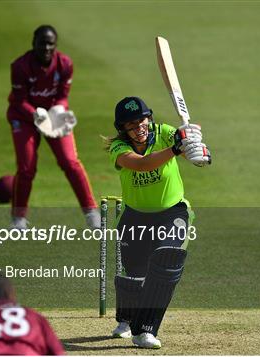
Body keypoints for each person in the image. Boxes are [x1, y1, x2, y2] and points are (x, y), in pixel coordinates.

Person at [106, 96, 210, 349]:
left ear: (148, 118)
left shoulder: (164, 133)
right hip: (135, 216)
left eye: (142, 120)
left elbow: (189, 146)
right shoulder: (118, 149)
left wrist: (196, 149)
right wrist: (177, 149)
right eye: (131, 125)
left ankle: (145, 331)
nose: (139, 127)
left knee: (168, 262)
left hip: (172, 212)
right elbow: (141, 165)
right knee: (135, 276)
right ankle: (127, 319)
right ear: (122, 129)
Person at [7, 25, 99, 229]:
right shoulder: (20, 66)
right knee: (26, 167)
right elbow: (19, 100)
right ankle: (19, 219)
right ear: (33, 44)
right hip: (24, 118)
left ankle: (91, 212)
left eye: (51, 44)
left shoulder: (65, 64)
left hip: (53, 118)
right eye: (42, 43)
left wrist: (59, 110)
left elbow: (63, 96)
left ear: (55, 45)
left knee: (70, 161)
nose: (46, 48)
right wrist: (35, 113)